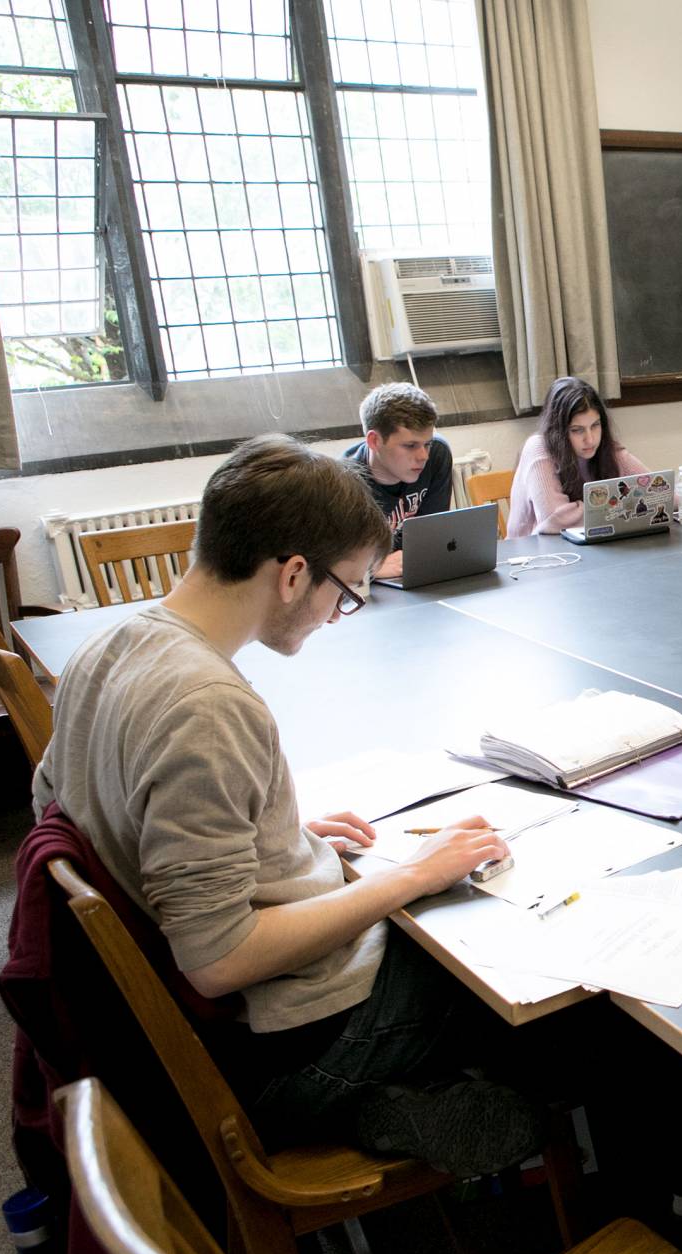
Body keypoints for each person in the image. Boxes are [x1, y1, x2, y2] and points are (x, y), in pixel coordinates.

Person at [32, 435, 547, 1177]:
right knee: (515, 977)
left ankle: (389, 1100)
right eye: (346, 591)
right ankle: (375, 1102)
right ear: (294, 572)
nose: (340, 614)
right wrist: (409, 877)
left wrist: (273, 839)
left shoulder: (108, 646)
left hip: (251, 1017)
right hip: (296, 1037)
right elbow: (217, 959)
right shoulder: (208, 706)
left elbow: (73, 805)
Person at [507, 376, 648, 536]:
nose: (590, 439)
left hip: (587, 549)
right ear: (558, 432)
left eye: (595, 425)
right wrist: (623, 508)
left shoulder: (606, 448)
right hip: (535, 555)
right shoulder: (538, 447)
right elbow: (555, 519)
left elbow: (660, 493)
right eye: (577, 430)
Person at [342, 381, 454, 580]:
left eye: (426, 444)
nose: (423, 456)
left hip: (411, 573)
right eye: (410, 445)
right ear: (374, 441)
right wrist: (368, 570)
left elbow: (431, 534)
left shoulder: (438, 454)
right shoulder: (343, 482)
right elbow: (331, 564)